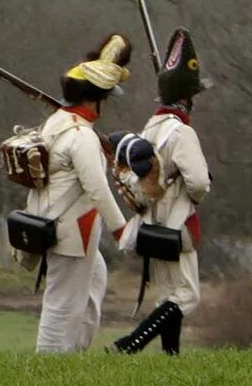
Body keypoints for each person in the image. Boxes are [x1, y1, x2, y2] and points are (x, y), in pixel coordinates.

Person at [23, 35, 130, 355]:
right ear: (93, 99)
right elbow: (97, 188)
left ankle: (75, 353)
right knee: (61, 303)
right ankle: (50, 364)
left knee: (94, 281)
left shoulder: (57, 122)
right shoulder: (81, 135)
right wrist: (122, 230)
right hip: (71, 229)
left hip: (58, 223)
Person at [113, 30, 212, 356]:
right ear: (186, 98)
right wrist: (198, 192)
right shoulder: (182, 132)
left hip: (151, 222)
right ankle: (130, 345)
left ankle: (171, 358)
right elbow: (197, 183)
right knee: (187, 297)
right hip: (175, 223)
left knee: (169, 295)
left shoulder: (151, 127)